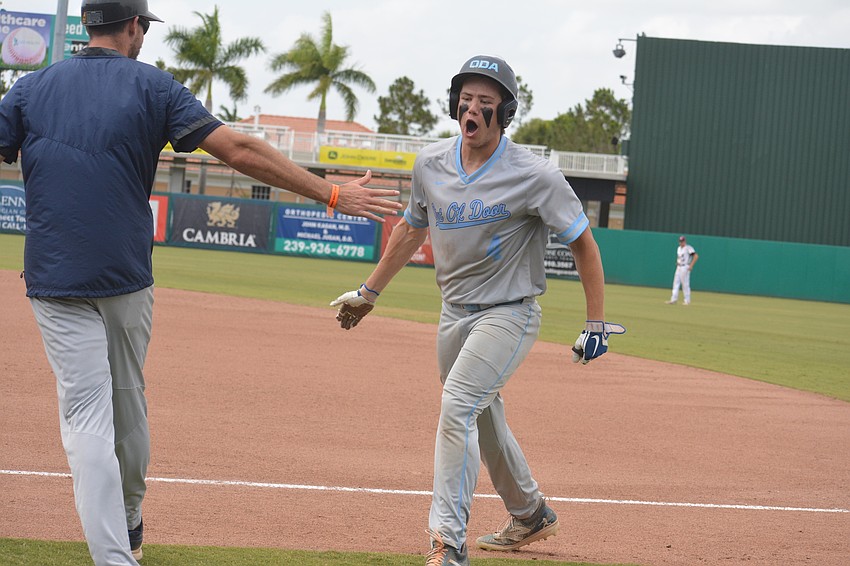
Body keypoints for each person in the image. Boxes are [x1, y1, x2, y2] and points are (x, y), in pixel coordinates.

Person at [0, 1, 402, 564]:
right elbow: (237, 150)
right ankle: (131, 522)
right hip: (124, 275)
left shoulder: (28, 88)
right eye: (144, 27)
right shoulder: (154, 86)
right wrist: (331, 193)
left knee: (85, 418)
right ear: (134, 26)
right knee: (127, 402)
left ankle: (116, 555)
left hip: (53, 273)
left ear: (88, 24)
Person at [330, 55, 625, 566]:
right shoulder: (431, 165)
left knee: (457, 406)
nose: (471, 110)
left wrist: (595, 321)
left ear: (503, 114)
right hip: (453, 314)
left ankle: (447, 545)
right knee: (482, 418)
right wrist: (369, 293)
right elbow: (410, 230)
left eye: (484, 104)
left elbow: (583, 242)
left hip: (509, 313)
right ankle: (530, 513)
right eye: (465, 100)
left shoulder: (535, 175)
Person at [666, 235, 699, 305]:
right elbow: (679, 257)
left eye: (682, 241)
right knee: (675, 283)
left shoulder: (688, 248)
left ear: (685, 241)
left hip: (685, 267)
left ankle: (687, 300)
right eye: (680, 241)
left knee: (685, 284)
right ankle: (673, 299)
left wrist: (691, 265)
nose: (681, 243)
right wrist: (678, 262)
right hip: (679, 267)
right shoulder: (678, 248)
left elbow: (696, 256)